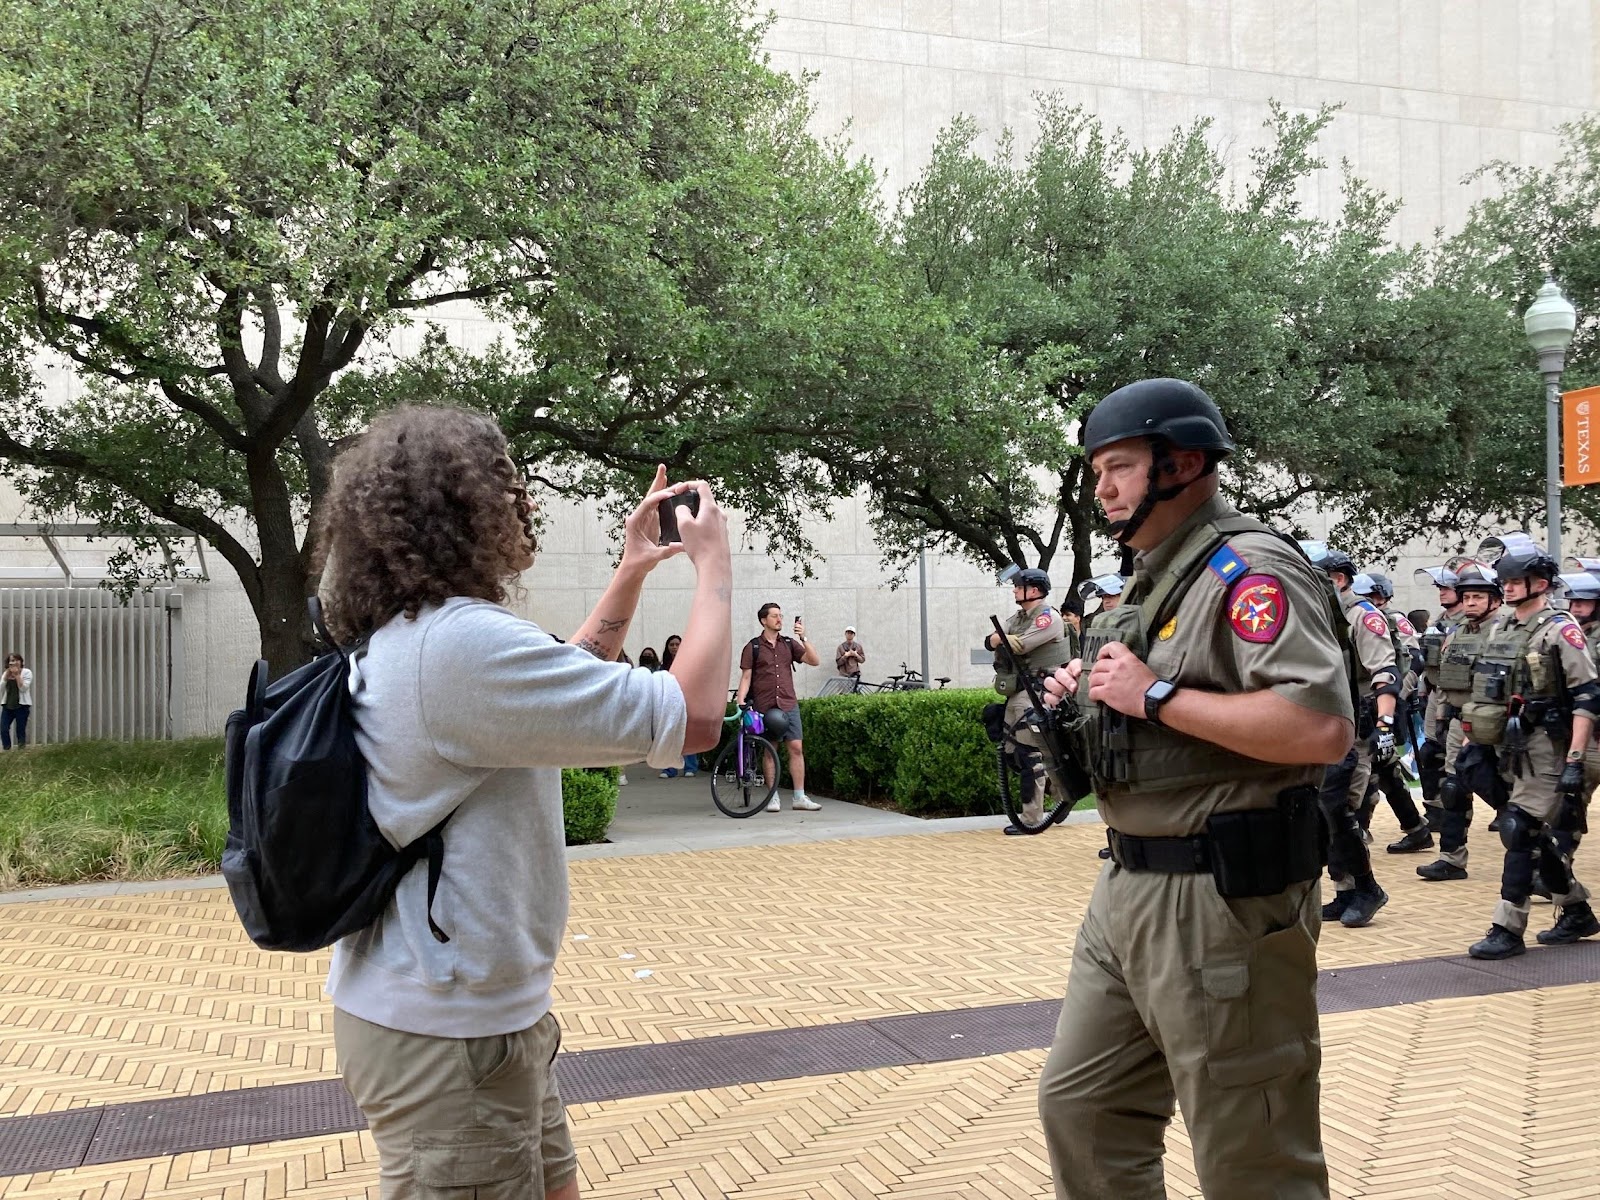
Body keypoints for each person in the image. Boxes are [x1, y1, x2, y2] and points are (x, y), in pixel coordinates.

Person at [316, 405, 732, 1200]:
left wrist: (632, 568)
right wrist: (714, 568)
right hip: (451, 1036)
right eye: (509, 485)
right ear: (466, 510)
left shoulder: (421, 637)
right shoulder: (458, 646)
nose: (525, 503)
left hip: (469, 1018)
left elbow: (567, 682)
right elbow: (699, 717)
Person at [1038, 378, 1352, 1200]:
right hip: (1127, 886)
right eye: (1096, 472)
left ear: (1180, 466)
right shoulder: (1153, 578)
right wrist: (1089, 692)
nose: (1101, 489)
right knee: (1085, 1106)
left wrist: (1156, 696)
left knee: (1253, 1158)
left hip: (1220, 901)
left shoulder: (1244, 569)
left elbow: (1319, 726)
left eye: (1118, 468)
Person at [1460, 534, 1600, 959]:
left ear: (1540, 582)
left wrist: (1575, 760)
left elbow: (1587, 696)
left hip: (1549, 747)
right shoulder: (1504, 626)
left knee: (1518, 829)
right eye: (1505, 579)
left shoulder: (1561, 629)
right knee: (1532, 834)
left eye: (1516, 578)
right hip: (1510, 744)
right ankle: (1575, 909)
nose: (1507, 586)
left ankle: (1507, 928)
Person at [1303, 545, 1395, 929]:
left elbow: (1384, 670)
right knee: (1324, 810)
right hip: (1317, 724)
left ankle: (1368, 889)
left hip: (1353, 727)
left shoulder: (1362, 616)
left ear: (1337, 579)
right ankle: (1344, 890)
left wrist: (1386, 727)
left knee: (1340, 808)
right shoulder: (1317, 616)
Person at [1415, 563, 1503, 881]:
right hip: (1456, 722)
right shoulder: (1457, 633)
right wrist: (1439, 718)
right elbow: (1444, 681)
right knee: (1453, 789)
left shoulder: (1505, 633)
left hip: (1494, 725)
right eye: (1466, 597)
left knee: (1506, 794)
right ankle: (1451, 859)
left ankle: (1540, 862)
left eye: (1478, 597)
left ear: (1495, 599)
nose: (1469, 603)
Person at [1349, 573, 1431, 854]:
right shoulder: (1350, 618)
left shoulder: (1392, 620)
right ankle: (1415, 827)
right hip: (1362, 704)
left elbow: (1412, 662)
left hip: (1380, 704)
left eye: (1371, 597)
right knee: (1384, 767)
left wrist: (1393, 700)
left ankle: (1356, 832)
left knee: (1366, 769)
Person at [983, 566, 1069, 835]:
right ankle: (1063, 793)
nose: (1013, 590)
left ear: (1033, 590)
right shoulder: (1019, 617)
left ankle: (1031, 818)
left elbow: (1019, 645)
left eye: (1018, 586)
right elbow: (989, 641)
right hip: (1018, 690)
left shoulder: (1048, 618)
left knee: (1029, 753)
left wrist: (1001, 639)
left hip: (1038, 690)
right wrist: (999, 639)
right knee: (1010, 751)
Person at [735, 603, 821, 810]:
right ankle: (772, 797)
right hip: (766, 706)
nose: (779, 619)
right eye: (775, 616)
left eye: (780, 615)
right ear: (764, 620)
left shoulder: (789, 644)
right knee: (770, 750)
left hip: (788, 703)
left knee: (796, 748)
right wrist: (740, 701)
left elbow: (814, 660)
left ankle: (799, 797)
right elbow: (746, 676)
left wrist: (804, 638)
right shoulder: (753, 647)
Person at [657, 635, 697, 777]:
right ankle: (669, 768)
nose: (674, 647)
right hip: (668, 704)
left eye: (677, 644)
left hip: (686, 702)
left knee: (687, 735)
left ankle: (690, 767)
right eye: (671, 644)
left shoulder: (689, 663)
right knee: (668, 735)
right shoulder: (663, 666)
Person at [1, 653, 32, 749]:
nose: (14, 663)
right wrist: (6, 677)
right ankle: (7, 748)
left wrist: (17, 675)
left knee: (20, 729)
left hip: (21, 706)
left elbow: (24, 688)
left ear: (21, 662)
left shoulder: (27, 672)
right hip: (8, 705)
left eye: (16, 660)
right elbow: (1, 688)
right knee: (3, 728)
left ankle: (21, 749)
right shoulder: (6, 673)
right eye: (11, 660)